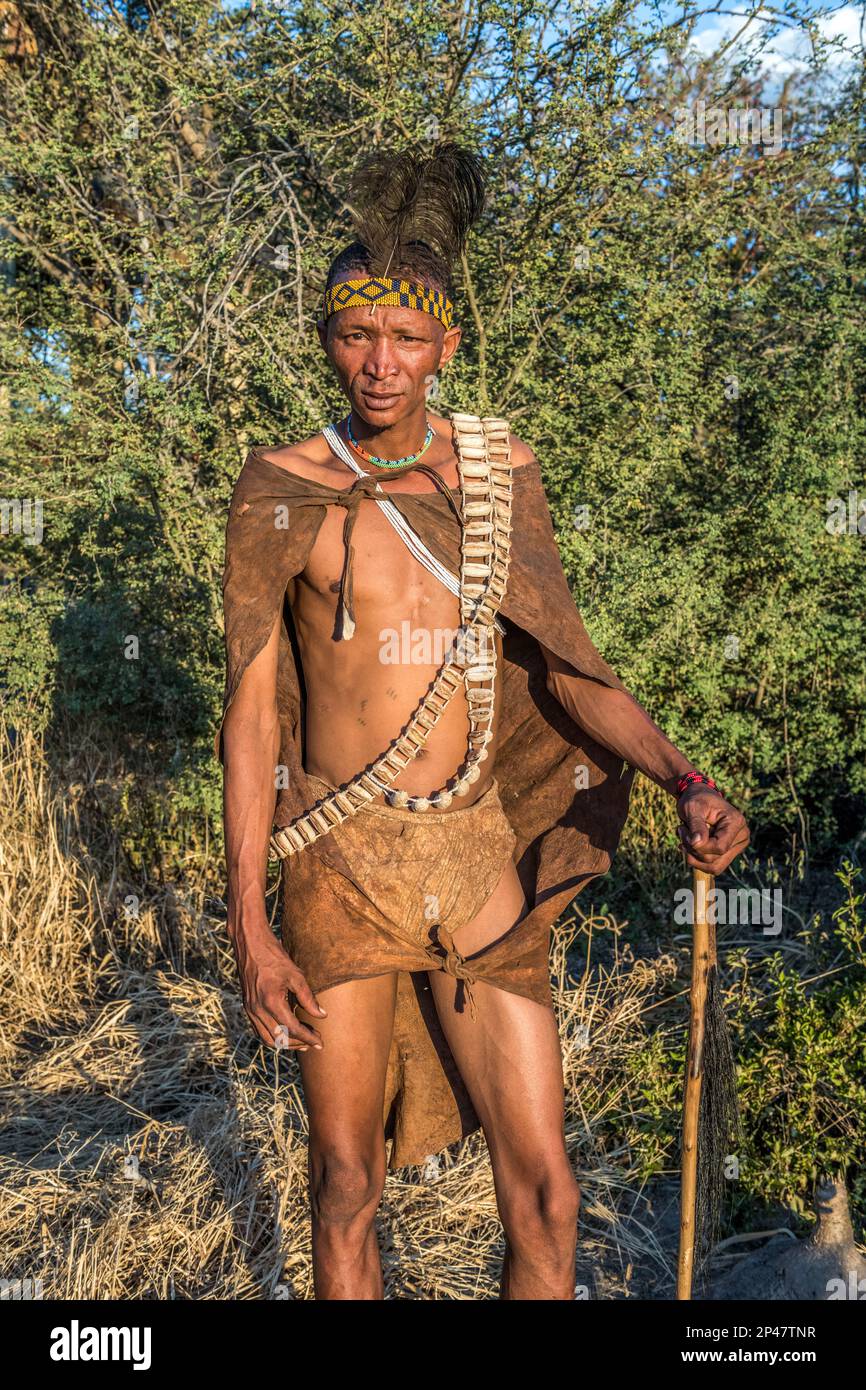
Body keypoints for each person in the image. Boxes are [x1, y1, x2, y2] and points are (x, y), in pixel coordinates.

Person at [216, 143, 749, 1300]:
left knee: (545, 1196)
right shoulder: (282, 484)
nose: (381, 363)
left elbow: (569, 670)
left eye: (407, 340)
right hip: (339, 863)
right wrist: (251, 927)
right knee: (346, 1183)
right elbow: (250, 718)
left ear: (447, 347)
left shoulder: (498, 471)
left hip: (467, 856)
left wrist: (684, 778)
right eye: (358, 335)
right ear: (326, 339)